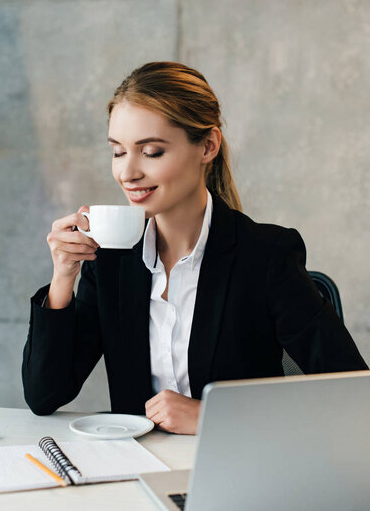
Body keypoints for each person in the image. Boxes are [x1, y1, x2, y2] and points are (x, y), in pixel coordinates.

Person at [22, 61, 367, 434]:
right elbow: (45, 395)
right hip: (136, 473)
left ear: (207, 146)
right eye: (118, 152)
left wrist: (212, 418)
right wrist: (63, 278)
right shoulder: (110, 261)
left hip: (235, 471)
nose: (128, 172)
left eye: (151, 151)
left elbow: (355, 397)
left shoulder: (266, 256)